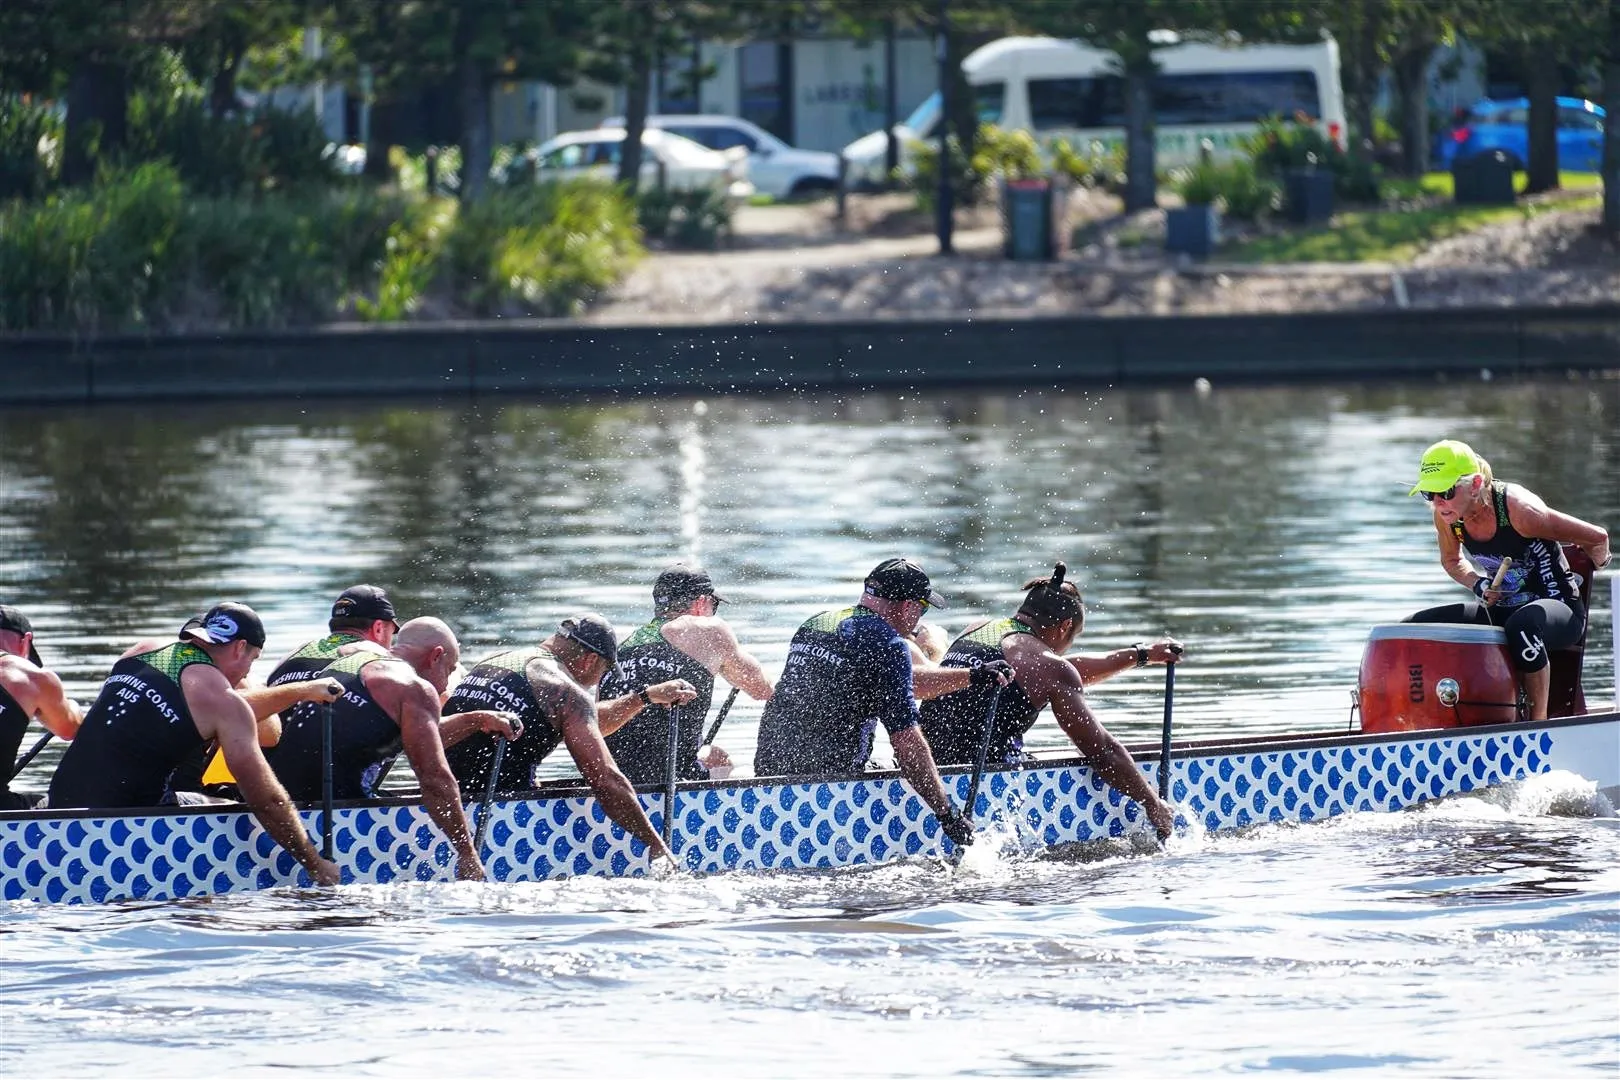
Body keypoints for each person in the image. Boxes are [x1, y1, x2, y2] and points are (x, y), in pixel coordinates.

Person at [46, 603, 340, 885]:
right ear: (240, 648)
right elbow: (266, 800)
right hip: (122, 824)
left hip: (59, 803)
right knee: (233, 806)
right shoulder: (222, 701)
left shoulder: (141, 651)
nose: (248, 673)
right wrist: (315, 864)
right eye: (252, 660)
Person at [752, 558, 1012, 848]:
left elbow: (903, 683)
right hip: (828, 787)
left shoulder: (817, 623)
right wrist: (947, 814)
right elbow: (907, 742)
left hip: (768, 772)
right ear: (908, 606)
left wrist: (973, 676)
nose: (919, 620)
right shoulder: (888, 645)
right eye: (922, 609)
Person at [918, 563, 1179, 840]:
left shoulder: (980, 627)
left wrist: (1142, 655)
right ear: (1065, 626)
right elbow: (1103, 752)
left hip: (924, 773)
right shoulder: (1046, 667)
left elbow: (1062, 669)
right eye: (1072, 637)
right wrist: (1153, 803)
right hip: (978, 787)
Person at [264, 616, 515, 881]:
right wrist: (467, 854)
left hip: (282, 808)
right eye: (450, 670)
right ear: (436, 656)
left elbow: (413, 736)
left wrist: (475, 720)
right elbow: (434, 779)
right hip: (329, 821)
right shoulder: (413, 688)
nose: (445, 684)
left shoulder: (354, 663)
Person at [443, 614, 687, 868]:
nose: (597, 682)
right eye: (603, 671)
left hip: (443, 804)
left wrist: (644, 697)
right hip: (495, 821)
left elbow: (586, 724)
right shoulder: (566, 692)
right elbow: (605, 780)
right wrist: (656, 845)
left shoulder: (498, 661)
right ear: (590, 660)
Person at [1405, 439, 1611, 721]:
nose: (1439, 502)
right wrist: (1477, 583)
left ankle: (1537, 727)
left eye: (1446, 491)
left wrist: (1596, 564)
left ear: (1475, 483)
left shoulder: (1521, 511)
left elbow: (1598, 537)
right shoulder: (1448, 517)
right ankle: (1424, 719)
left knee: (1522, 626)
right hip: (1503, 609)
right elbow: (1452, 561)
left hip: (1560, 609)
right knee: (1412, 628)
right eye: (1429, 494)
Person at [600, 565, 775, 786]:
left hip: (614, 780)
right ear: (701, 602)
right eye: (715, 604)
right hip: (669, 782)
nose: (714, 612)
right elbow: (762, 689)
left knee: (714, 757)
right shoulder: (707, 630)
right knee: (742, 772)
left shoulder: (621, 649)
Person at [0, 606, 83, 810]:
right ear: (25, 641)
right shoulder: (29, 677)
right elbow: (69, 729)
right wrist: (73, 706)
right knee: (70, 803)